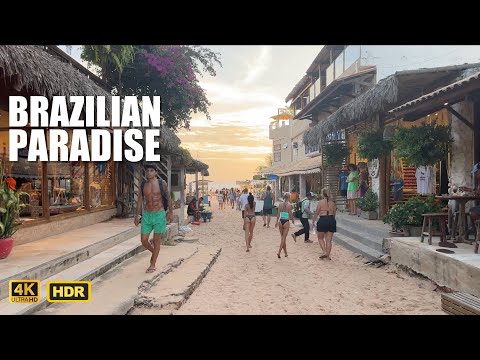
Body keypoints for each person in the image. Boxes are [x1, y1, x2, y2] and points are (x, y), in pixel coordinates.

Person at [135, 163, 173, 273]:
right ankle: (154, 252)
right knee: (143, 240)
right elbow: (140, 201)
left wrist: (170, 212)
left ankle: (152, 263)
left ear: (155, 172)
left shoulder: (162, 183)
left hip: (159, 214)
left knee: (156, 240)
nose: (149, 173)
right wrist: (137, 215)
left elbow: (168, 197)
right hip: (147, 215)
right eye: (147, 171)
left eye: (151, 170)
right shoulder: (143, 185)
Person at [311, 188, 337, 260]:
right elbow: (334, 214)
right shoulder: (333, 203)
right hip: (331, 219)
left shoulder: (321, 202)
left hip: (323, 219)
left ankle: (324, 252)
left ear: (322, 194)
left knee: (320, 238)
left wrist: (313, 221)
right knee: (329, 240)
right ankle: (328, 255)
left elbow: (316, 213)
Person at [275, 192, 294, 258]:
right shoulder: (290, 205)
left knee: (283, 238)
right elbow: (291, 214)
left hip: (281, 221)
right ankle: (279, 252)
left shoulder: (280, 204)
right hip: (286, 221)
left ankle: (285, 253)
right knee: (283, 238)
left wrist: (276, 222)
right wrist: (293, 221)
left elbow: (278, 214)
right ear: (289, 197)